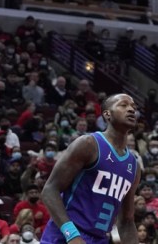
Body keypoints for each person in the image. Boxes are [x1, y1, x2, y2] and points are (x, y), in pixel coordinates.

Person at [40, 94, 140, 244]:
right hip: (65, 236)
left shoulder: (134, 166)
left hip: (99, 239)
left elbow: (126, 221)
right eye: (123, 105)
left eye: (134, 107)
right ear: (107, 114)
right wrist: (72, 234)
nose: (131, 109)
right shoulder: (89, 144)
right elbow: (49, 190)